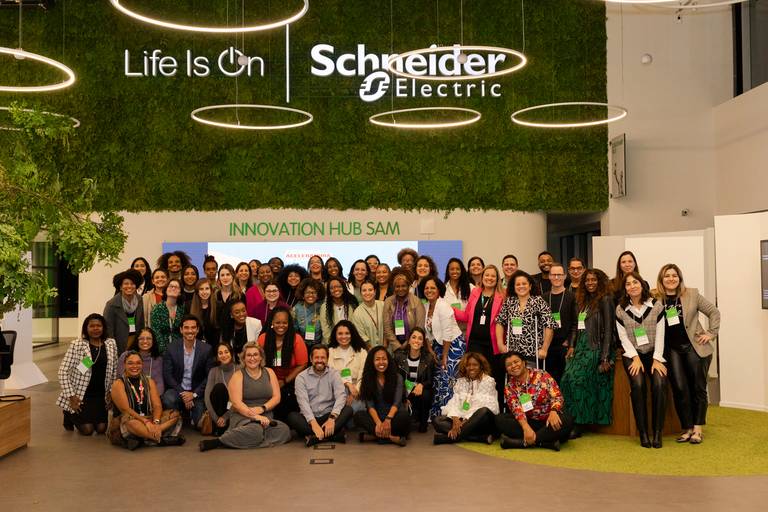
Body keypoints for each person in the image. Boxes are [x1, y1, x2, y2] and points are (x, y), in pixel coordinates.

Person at [654, 263, 720, 445]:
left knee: (697, 388)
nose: (671, 279)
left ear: (679, 278)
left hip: (694, 347)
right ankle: (687, 428)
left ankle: (697, 429)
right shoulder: (656, 299)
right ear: (661, 279)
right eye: (667, 276)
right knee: (680, 389)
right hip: (672, 350)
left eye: (674, 275)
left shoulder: (692, 294)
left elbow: (713, 312)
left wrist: (711, 333)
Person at [199, 342, 291, 451]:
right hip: (243, 416)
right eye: (249, 355)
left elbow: (276, 397)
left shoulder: (269, 372)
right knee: (255, 430)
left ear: (261, 357)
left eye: (255, 355)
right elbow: (237, 403)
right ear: (243, 358)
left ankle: (247, 439)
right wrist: (255, 416)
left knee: (284, 431)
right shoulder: (238, 375)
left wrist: (262, 408)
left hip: (266, 416)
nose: (252, 358)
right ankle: (218, 442)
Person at [615, 271, 668, 448]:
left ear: (642, 284)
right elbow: (623, 338)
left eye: (635, 282)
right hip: (633, 354)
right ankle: (643, 433)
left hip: (655, 353)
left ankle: (658, 432)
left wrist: (657, 358)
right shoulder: (621, 309)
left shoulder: (656, 305)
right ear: (625, 289)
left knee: (659, 383)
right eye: (628, 284)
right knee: (638, 384)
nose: (632, 286)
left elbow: (661, 334)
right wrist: (635, 358)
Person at [559, 269, 614, 435]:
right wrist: (572, 345)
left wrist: (604, 357)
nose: (590, 283)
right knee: (566, 379)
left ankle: (579, 423)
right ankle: (569, 420)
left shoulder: (605, 300)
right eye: (587, 280)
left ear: (600, 282)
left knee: (578, 381)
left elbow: (609, 330)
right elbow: (576, 326)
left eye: (594, 280)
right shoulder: (581, 301)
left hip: (596, 348)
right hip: (580, 347)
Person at [453, 265, 506, 412]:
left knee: (494, 380)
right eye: (486, 275)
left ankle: (494, 412)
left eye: (493, 276)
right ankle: (472, 412)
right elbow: (466, 316)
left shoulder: (502, 296)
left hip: (493, 345)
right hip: (474, 344)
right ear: (482, 278)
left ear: (497, 279)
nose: (489, 278)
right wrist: (449, 309)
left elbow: (504, 321)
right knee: (474, 379)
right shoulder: (475, 293)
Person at [496, 351, 573, 451]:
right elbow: (517, 410)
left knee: (567, 420)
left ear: (524, 362)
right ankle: (544, 441)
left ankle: (522, 443)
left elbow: (557, 396)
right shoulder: (509, 387)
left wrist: (554, 411)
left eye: (516, 362)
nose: (513, 366)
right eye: (509, 365)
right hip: (530, 421)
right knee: (500, 419)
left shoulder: (542, 374)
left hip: (549, 419)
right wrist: (526, 427)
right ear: (506, 369)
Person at [57, 314, 118, 435]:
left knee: (101, 429)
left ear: (103, 327)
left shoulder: (111, 344)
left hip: (101, 395)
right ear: (86, 328)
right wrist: (71, 396)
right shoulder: (77, 345)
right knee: (87, 430)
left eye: (99, 325)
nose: (95, 328)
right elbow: (62, 372)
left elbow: (114, 371)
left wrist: (111, 392)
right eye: (92, 326)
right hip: (82, 395)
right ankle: (68, 413)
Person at [110, 351, 183, 449]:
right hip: (131, 420)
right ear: (124, 365)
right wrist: (145, 422)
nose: (134, 366)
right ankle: (160, 440)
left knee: (175, 414)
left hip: (150, 418)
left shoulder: (149, 381)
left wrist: (156, 422)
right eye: (130, 363)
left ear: (142, 365)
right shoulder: (118, 384)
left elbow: (157, 405)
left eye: (138, 363)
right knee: (130, 422)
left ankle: (149, 436)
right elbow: (126, 410)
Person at [287, 344, 353, 446]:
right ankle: (332, 435)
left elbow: (341, 396)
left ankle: (314, 437)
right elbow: (303, 403)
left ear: (327, 359)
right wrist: (313, 424)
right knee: (292, 417)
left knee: (348, 410)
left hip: (328, 415)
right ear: (311, 359)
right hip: (309, 418)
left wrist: (332, 418)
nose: (319, 360)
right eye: (316, 357)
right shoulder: (301, 377)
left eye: (323, 357)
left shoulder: (334, 374)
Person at [420, 276, 466, 417]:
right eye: (426, 288)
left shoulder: (443, 306)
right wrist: (430, 350)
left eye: (432, 288)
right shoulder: (426, 306)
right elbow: (427, 332)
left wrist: (445, 356)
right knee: (438, 380)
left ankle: (450, 415)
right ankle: (437, 414)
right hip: (438, 346)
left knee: (448, 380)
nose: (429, 290)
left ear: (439, 289)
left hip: (453, 346)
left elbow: (447, 332)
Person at [433, 352, 498, 444]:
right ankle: (476, 438)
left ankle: (447, 439)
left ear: (481, 366)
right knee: (437, 420)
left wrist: (464, 423)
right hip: (464, 421)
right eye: (468, 365)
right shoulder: (461, 382)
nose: (471, 368)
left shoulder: (488, 381)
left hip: (483, 422)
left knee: (483, 411)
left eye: (475, 365)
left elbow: (484, 405)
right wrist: (455, 419)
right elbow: (454, 402)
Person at [495, 270, 557, 368]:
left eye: (524, 284)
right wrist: (500, 344)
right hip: (513, 352)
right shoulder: (510, 302)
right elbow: (499, 322)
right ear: (514, 287)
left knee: (530, 376)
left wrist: (544, 349)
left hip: (532, 351)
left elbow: (549, 325)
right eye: (518, 284)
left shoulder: (538, 301)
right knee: (514, 375)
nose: (521, 286)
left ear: (530, 286)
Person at [161, 315, 213, 429]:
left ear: (197, 330)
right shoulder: (171, 348)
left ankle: (189, 414)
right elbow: (168, 375)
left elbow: (209, 376)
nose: (190, 331)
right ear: (181, 330)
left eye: (193, 327)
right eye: (186, 327)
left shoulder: (206, 349)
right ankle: (178, 416)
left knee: (200, 424)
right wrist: (184, 394)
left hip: (196, 392)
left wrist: (193, 394)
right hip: (178, 390)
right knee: (168, 398)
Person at [257, 306, 309, 420]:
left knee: (285, 398)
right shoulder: (263, 339)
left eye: (284, 323)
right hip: (268, 380)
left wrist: (284, 381)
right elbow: (258, 363)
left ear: (289, 323)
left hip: (290, 381)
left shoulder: (296, 339)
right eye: (277, 322)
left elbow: (303, 364)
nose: (281, 326)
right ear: (272, 323)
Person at [354, 346, 410, 446]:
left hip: (394, 416)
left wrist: (388, 420)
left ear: (389, 360)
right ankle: (392, 438)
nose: (381, 362)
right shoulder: (367, 379)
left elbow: (397, 403)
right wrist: (379, 423)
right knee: (358, 415)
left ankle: (374, 437)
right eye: (377, 359)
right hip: (377, 417)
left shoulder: (398, 377)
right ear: (372, 362)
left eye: (384, 359)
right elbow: (370, 406)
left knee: (404, 416)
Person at [393, 327, 435, 432]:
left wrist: (421, 385)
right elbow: (396, 380)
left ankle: (423, 422)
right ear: (409, 340)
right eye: (414, 337)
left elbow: (430, 381)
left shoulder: (428, 358)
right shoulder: (398, 356)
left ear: (423, 343)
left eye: (420, 338)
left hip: (418, 392)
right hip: (403, 389)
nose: (416, 341)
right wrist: (404, 396)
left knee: (426, 394)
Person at [542, 263, 576, 383]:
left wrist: (570, 343)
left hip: (564, 346)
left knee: (566, 381)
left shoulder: (572, 297)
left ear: (565, 276)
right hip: (547, 347)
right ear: (549, 276)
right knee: (550, 382)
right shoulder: (543, 297)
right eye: (553, 275)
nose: (556, 277)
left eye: (559, 275)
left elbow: (575, 323)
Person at [327, 320, 368, 412]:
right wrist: (348, 384)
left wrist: (354, 392)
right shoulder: (330, 352)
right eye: (340, 334)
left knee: (355, 408)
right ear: (335, 335)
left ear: (352, 334)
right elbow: (331, 375)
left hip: (357, 390)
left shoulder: (362, 352)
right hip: (335, 391)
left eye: (347, 333)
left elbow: (364, 376)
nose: (343, 337)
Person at [382, 267, 426, 352]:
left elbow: (419, 326)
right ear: (393, 287)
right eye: (397, 286)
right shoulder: (388, 302)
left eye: (403, 286)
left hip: (413, 345)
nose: (400, 289)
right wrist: (397, 345)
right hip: (394, 347)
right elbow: (387, 327)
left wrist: (408, 342)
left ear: (408, 286)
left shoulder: (416, 301)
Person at [104, 269, 145, 354]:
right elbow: (108, 330)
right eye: (126, 284)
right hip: (119, 344)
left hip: (136, 341)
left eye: (132, 284)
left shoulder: (140, 300)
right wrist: (112, 349)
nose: (129, 286)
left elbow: (141, 323)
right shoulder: (111, 304)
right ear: (120, 287)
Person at [117, 327, 164, 395]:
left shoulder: (158, 359)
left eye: (148, 338)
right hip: (129, 394)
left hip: (151, 395)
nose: (145, 341)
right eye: (141, 338)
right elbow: (120, 380)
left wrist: (152, 398)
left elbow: (160, 384)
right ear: (137, 340)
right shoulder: (126, 356)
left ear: (153, 341)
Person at [203, 342, 237, 436]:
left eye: (226, 352)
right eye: (220, 353)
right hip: (217, 412)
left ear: (231, 353)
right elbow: (207, 397)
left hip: (234, 409)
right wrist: (216, 418)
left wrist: (225, 417)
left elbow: (241, 398)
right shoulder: (213, 371)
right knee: (219, 388)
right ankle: (219, 425)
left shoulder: (239, 369)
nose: (224, 355)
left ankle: (224, 426)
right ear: (217, 357)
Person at [151, 278, 185, 354]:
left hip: (179, 348)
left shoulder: (182, 309)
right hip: (161, 350)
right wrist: (164, 351)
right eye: (171, 286)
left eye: (176, 287)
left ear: (180, 292)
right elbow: (156, 332)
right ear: (166, 290)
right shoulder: (157, 308)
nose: (173, 288)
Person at [351, 280, 385, 347]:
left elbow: (389, 326)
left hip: (386, 347)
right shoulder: (357, 313)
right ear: (360, 293)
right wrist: (371, 350)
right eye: (364, 290)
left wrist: (385, 345)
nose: (367, 293)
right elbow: (361, 335)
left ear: (375, 292)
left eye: (370, 290)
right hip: (368, 349)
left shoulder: (383, 305)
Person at [294, 278, 326, 346]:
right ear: (303, 295)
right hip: (302, 344)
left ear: (318, 295)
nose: (311, 295)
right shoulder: (297, 309)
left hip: (320, 345)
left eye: (314, 292)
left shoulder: (322, 306)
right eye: (307, 292)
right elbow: (294, 330)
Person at [188, 278, 220, 346]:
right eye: (201, 289)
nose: (204, 292)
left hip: (214, 345)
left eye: (207, 288)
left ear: (211, 290)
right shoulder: (189, 306)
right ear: (197, 291)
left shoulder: (218, 306)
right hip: (195, 345)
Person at [215, 263, 242, 332]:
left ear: (233, 276)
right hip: (217, 333)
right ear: (219, 278)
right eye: (222, 275)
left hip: (235, 332)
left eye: (228, 274)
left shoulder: (240, 295)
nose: (225, 278)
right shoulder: (215, 295)